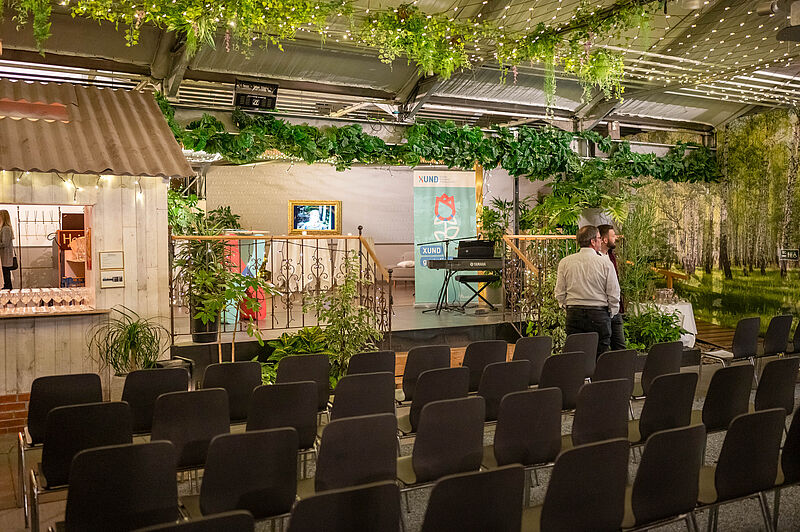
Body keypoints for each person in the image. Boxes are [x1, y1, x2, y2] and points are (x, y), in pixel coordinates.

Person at [555, 225, 620, 355]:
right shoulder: (605, 263)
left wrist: (565, 306)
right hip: (599, 313)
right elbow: (613, 292)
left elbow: (560, 291)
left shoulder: (565, 262)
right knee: (600, 354)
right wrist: (612, 312)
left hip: (574, 313)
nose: (600, 241)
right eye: (599, 238)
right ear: (593, 241)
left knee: (576, 354)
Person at [597, 224, 626, 350]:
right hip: (601, 308)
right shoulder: (595, 259)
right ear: (604, 239)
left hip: (614, 307)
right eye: (613, 236)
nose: (616, 238)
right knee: (602, 345)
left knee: (619, 345)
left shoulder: (611, 256)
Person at [0, 210, 14, 290]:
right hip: (5, 257)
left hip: (5, 258)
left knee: (6, 278)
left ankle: (8, 295)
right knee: (6, 277)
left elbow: (5, 243)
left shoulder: (5, 228)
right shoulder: (5, 228)